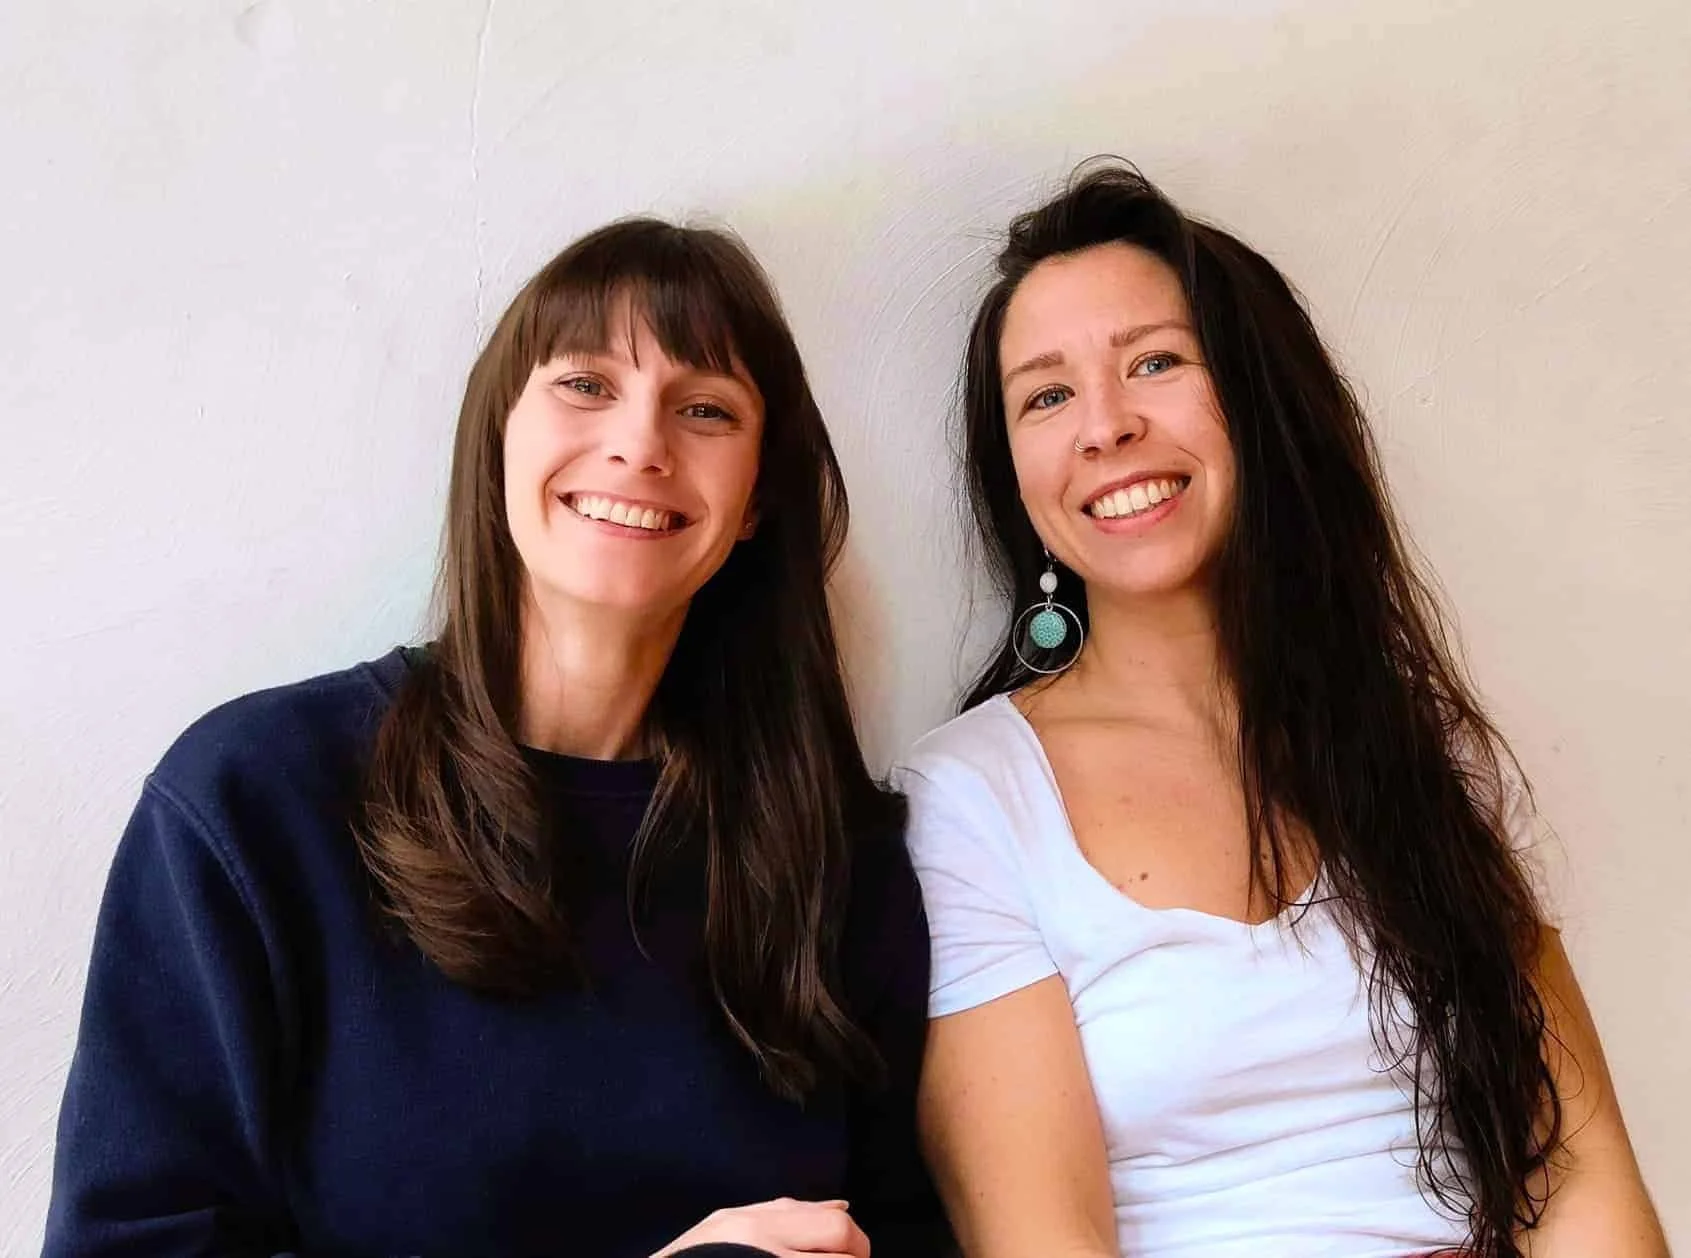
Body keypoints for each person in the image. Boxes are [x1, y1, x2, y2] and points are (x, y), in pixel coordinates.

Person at [46, 218, 945, 1258]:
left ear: (754, 503)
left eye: (705, 409)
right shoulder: (255, 799)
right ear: (497, 443)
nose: (641, 444)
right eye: (586, 384)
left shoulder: (840, 858)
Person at [898, 162, 1666, 1257]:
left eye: (1154, 361)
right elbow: (1040, 1237)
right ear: (1013, 470)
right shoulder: (971, 799)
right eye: (1046, 395)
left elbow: (1582, 1174)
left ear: (1259, 399)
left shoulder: (1415, 739)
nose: (1104, 426)